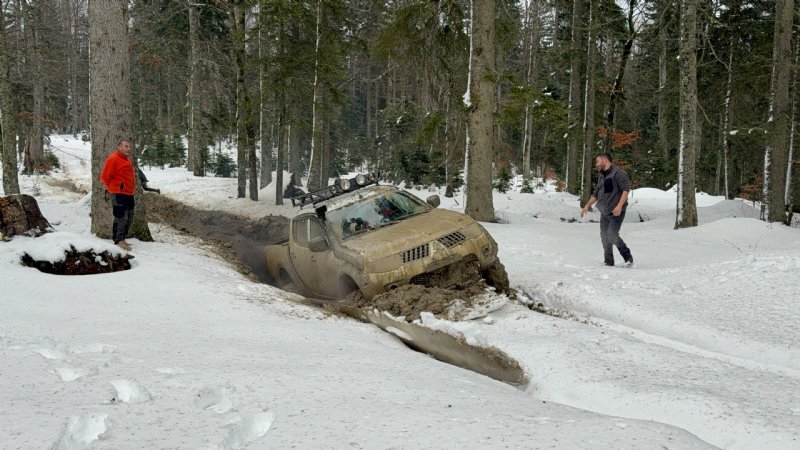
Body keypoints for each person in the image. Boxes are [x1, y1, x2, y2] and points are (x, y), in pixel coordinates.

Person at [580, 153, 634, 267]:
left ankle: (628, 258)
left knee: (612, 235)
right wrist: (587, 206)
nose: (596, 164)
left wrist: (619, 206)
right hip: (604, 211)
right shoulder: (602, 175)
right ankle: (608, 262)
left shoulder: (619, 173)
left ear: (605, 160)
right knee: (604, 237)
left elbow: (626, 190)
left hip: (616, 211)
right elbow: (596, 193)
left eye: (597, 161)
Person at [100, 140, 136, 251]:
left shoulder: (127, 159)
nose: (128, 148)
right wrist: (114, 188)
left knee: (130, 217)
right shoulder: (113, 159)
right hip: (118, 193)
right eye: (126, 146)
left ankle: (122, 238)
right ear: (119, 147)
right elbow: (104, 177)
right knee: (121, 217)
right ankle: (118, 240)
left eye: (129, 146)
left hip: (129, 193)